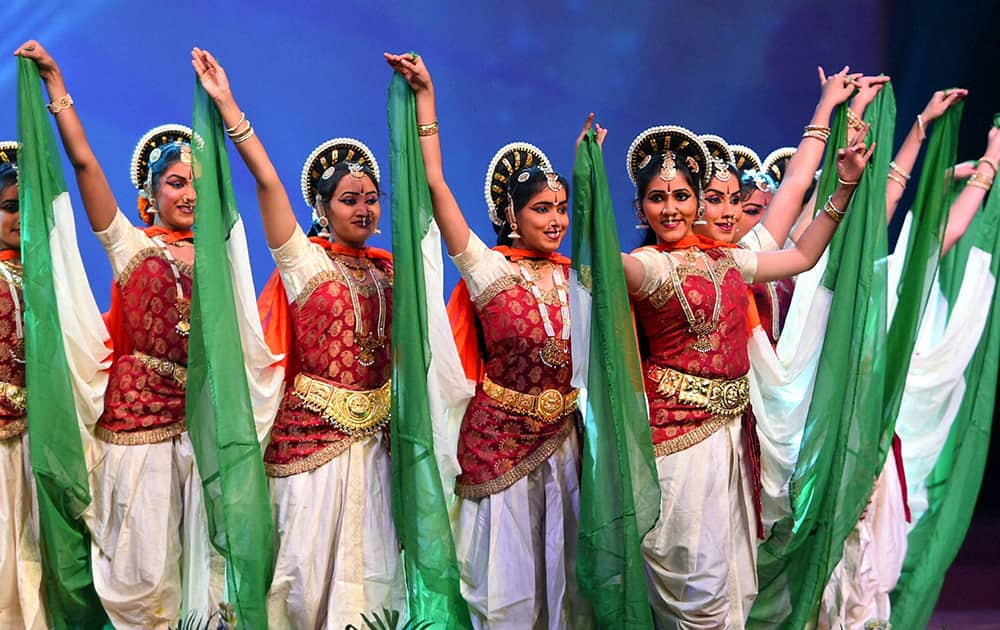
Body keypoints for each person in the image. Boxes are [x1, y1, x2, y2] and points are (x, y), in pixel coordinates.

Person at [617, 83, 874, 626]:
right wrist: (589, 200)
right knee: (696, 587)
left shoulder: (733, 260)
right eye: (658, 198)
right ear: (640, 206)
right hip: (677, 447)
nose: (672, 208)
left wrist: (845, 182)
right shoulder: (646, 266)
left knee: (735, 588)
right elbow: (616, 267)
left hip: (734, 441)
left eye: (683, 195)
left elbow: (803, 254)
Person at [192, 48, 405, 628]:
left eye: (370, 199)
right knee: (303, 586)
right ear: (321, 207)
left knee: (373, 589)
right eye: (348, 199)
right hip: (310, 451)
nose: (363, 208)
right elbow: (265, 180)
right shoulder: (303, 263)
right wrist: (229, 107)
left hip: (376, 454)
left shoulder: (392, 271)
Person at [15, 40, 223, 629]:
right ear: (150, 197)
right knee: (145, 582)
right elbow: (84, 165)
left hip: (198, 432)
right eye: (176, 183)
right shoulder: (129, 246)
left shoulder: (218, 263)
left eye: (196, 184)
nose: (188, 194)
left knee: (202, 583)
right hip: (138, 435)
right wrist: (58, 89)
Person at [386, 51, 593, 628]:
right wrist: (426, 98)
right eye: (541, 209)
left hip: (566, 448)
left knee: (568, 584)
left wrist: (588, 169)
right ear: (511, 215)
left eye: (561, 208)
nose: (555, 220)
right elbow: (434, 184)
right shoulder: (488, 270)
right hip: (498, 447)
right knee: (504, 591)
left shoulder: (580, 276)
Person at [0, 143, 47, 630]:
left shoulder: (47, 279)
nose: (20, 217)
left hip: (36, 439)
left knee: (34, 559)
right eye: (11, 207)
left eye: (27, 207)